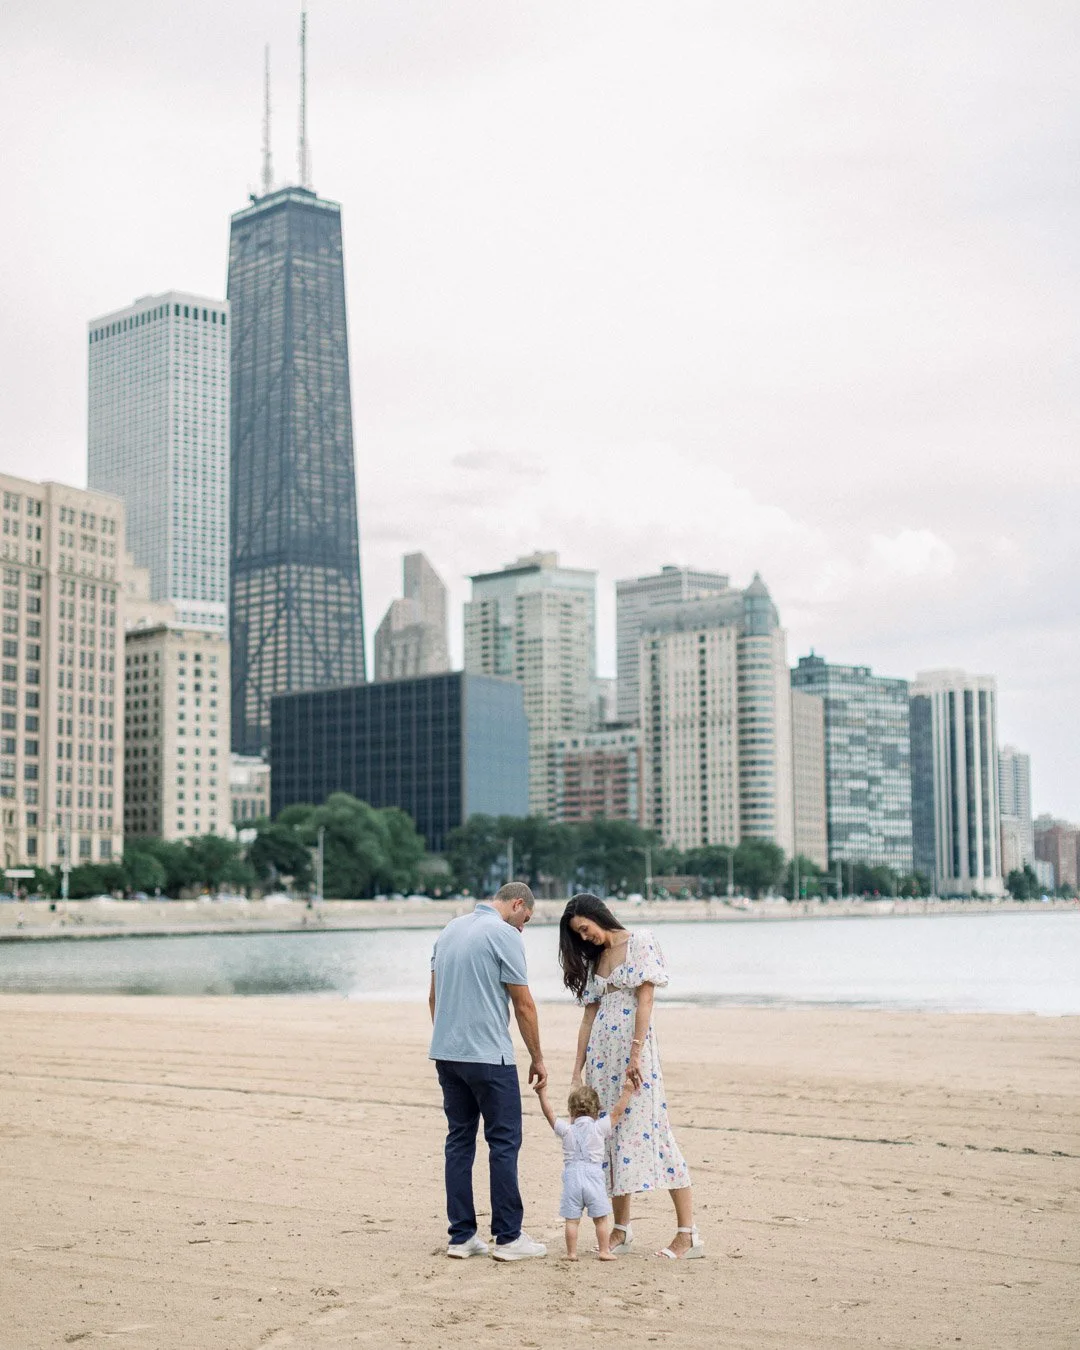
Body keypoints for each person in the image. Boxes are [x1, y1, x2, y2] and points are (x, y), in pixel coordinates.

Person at [559, 893, 704, 1260]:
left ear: (597, 916)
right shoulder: (595, 962)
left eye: (585, 929)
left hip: (632, 1056)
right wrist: (577, 1070)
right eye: (578, 935)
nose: (585, 938)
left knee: (655, 1132)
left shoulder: (640, 942)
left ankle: (688, 1234)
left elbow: (646, 1000)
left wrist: (635, 1054)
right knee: (611, 1138)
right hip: (601, 1061)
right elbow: (588, 1017)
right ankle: (621, 1229)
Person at [429, 882, 548, 1261]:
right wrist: (538, 1057)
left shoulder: (450, 929)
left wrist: (450, 1039)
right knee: (504, 1142)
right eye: (524, 919)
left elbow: (433, 997)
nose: (523, 928)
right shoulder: (503, 934)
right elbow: (523, 1003)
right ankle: (508, 1237)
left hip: (448, 1055)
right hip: (490, 1058)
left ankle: (461, 1236)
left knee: (459, 1142)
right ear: (517, 904)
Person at [533, 1076, 637, 1261]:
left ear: (571, 1111)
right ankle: (604, 1251)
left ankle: (572, 1253)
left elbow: (550, 1114)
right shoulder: (599, 1128)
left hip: (572, 1177)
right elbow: (616, 1113)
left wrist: (542, 1094)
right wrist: (627, 1091)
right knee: (601, 1219)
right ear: (596, 1111)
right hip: (594, 1176)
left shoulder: (566, 1130)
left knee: (572, 1220)